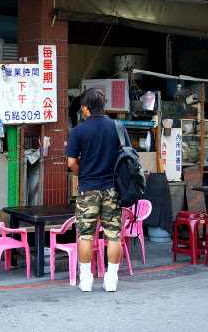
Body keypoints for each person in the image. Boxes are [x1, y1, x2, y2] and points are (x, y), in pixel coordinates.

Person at [66, 87, 127, 293]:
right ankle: (111, 279)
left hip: (87, 189)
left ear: (85, 108)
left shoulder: (78, 130)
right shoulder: (117, 127)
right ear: (103, 105)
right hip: (112, 189)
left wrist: (84, 173)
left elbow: (72, 162)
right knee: (113, 235)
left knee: (85, 235)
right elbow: (126, 157)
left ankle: (86, 280)